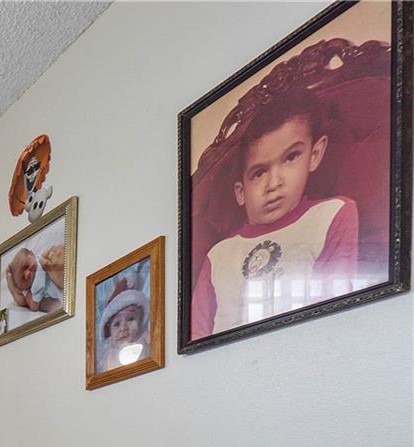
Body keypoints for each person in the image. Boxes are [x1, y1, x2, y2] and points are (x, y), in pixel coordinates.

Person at [190, 86, 359, 338]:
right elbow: (197, 333)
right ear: (241, 192)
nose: (274, 183)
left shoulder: (331, 215)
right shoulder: (219, 255)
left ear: (314, 154)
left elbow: (335, 310)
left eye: (291, 157)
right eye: (259, 173)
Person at [96, 286, 150, 370]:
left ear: (140, 322)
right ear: (110, 333)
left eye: (130, 319)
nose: (123, 328)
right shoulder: (109, 353)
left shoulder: (144, 337)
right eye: (117, 324)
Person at [5, 243, 64, 313]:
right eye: (23, 279)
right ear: (22, 288)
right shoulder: (30, 292)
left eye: (26, 266)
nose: (27, 274)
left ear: (32, 254)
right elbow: (34, 306)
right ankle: (18, 296)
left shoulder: (40, 262)